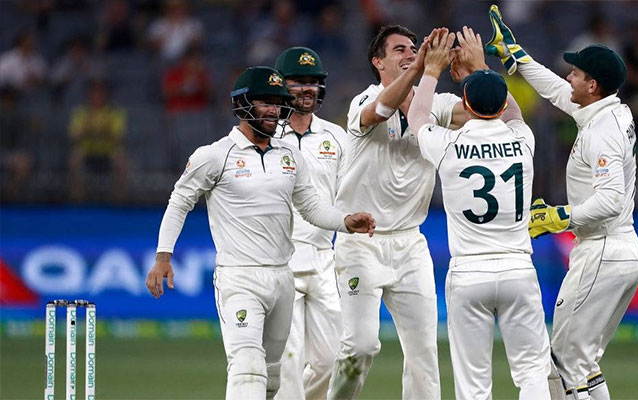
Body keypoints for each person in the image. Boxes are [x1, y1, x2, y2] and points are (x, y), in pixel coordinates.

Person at [145, 66, 376, 400]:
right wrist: (163, 257)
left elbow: (312, 207)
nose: (273, 110)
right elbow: (179, 202)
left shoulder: (289, 155)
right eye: (265, 102)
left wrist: (346, 221)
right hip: (239, 277)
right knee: (247, 366)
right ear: (242, 104)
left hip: (282, 277)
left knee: (272, 378)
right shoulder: (214, 156)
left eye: (277, 103)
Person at [485, 6, 638, 400]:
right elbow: (556, 90)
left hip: (603, 251)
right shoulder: (605, 110)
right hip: (621, 251)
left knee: (562, 361)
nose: (568, 76)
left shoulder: (602, 131)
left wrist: (560, 216)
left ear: (592, 85)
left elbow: (610, 200)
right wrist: (517, 56)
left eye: (575, 72)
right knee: (584, 361)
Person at [407, 27, 551, 400]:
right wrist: (480, 67)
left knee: (473, 385)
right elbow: (513, 112)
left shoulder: (449, 145)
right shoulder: (522, 140)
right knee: (533, 373)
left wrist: (431, 70)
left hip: (469, 273)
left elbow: (417, 117)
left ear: (466, 106)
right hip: (518, 268)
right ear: (500, 107)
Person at [328, 26, 469, 400]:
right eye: (399, 50)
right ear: (378, 62)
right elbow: (382, 110)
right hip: (361, 243)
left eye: (413, 48)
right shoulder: (364, 100)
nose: (410, 53)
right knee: (360, 347)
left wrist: (472, 72)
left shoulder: (436, 103)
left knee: (425, 354)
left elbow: (484, 112)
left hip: (410, 244)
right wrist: (422, 67)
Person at [273, 46, 345, 400]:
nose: (307, 89)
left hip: (322, 257)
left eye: (313, 82)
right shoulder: (265, 136)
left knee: (329, 361)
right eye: (298, 81)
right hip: (280, 259)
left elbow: (347, 197)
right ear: (280, 85)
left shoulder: (337, 137)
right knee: (289, 360)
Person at [67, 80, 127, 203]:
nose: (97, 97)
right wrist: (99, 130)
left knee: (121, 160)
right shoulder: (81, 112)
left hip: (108, 151)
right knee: (74, 159)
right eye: (95, 94)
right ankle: (77, 198)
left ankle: (120, 199)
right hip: (87, 151)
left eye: (100, 94)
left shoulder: (114, 112)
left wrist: (92, 131)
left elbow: (118, 136)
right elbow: (75, 136)